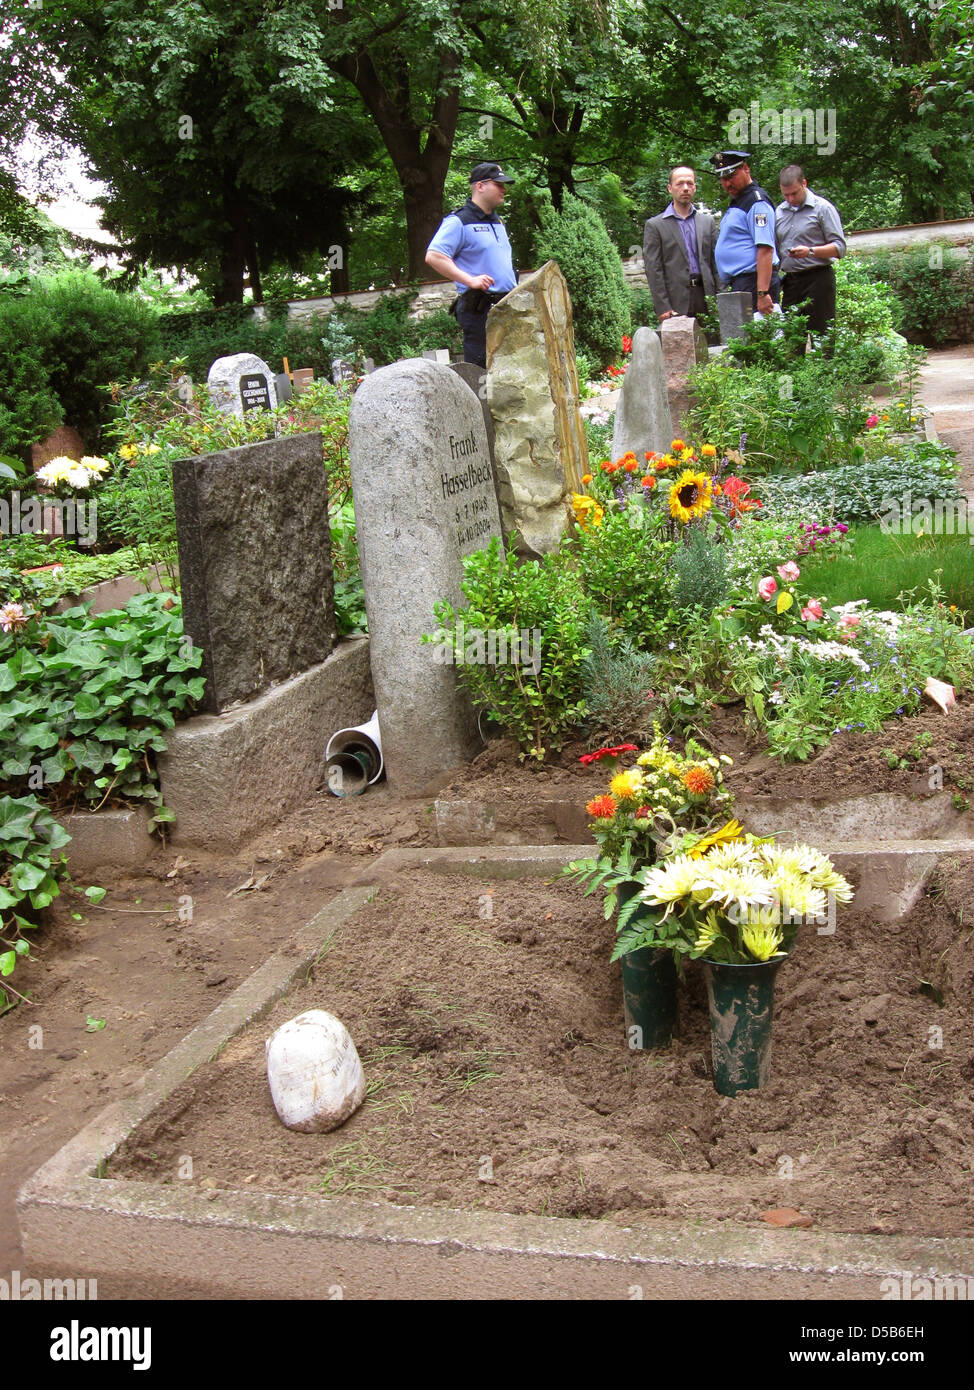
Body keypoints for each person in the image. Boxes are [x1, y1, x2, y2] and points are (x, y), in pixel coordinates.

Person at [425, 162, 519, 368]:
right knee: (480, 371)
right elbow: (434, 256)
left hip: (506, 305)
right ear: (480, 186)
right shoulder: (458, 221)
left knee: (511, 369)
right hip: (480, 309)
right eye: (498, 184)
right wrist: (470, 280)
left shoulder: (498, 221)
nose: (504, 189)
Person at [775, 165, 846, 335]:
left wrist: (811, 251)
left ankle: (826, 363)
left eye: (794, 193)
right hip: (791, 282)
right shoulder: (779, 212)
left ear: (804, 183)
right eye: (786, 195)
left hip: (818, 278)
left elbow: (840, 248)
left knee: (822, 337)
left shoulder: (822, 208)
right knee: (792, 338)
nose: (790, 199)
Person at [643, 165, 719, 320]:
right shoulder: (655, 225)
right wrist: (663, 306)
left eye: (690, 183)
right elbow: (653, 269)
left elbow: (716, 264)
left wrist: (721, 297)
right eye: (680, 183)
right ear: (670, 188)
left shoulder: (707, 222)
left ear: (695, 188)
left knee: (713, 342)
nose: (685, 188)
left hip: (707, 298)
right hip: (675, 302)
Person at [709, 150, 780, 314]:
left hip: (755, 283)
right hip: (744, 283)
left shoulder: (756, 203)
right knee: (742, 338)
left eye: (731, 176)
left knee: (758, 337)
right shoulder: (739, 201)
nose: (727, 184)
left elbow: (765, 249)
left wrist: (762, 293)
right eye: (723, 179)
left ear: (745, 168)